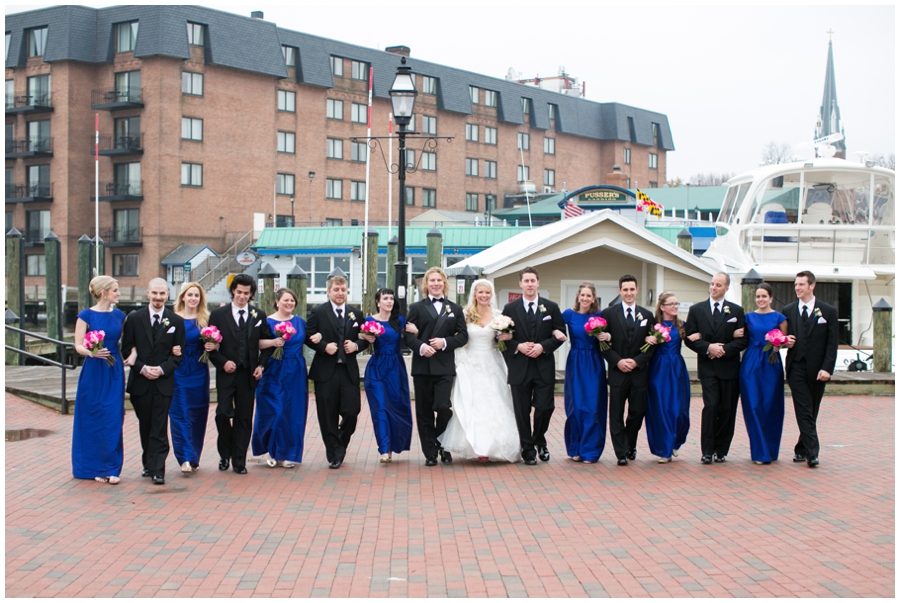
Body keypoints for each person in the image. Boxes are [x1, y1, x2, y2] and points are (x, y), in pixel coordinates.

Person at [436, 279, 521, 462]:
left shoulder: (499, 316)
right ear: (475, 294)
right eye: (480, 292)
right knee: (472, 403)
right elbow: (458, 336)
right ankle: (478, 447)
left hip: (492, 362)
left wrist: (508, 336)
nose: (484, 296)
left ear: (491, 295)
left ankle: (495, 446)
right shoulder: (465, 314)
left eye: (487, 293)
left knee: (496, 402)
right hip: (470, 362)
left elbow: (504, 338)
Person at [208, 273, 275, 474]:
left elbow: (268, 344)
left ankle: (239, 460)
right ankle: (224, 452)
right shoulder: (218, 315)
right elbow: (210, 347)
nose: (242, 296)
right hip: (226, 374)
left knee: (244, 418)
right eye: (239, 292)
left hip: (248, 375)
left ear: (251, 294)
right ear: (233, 292)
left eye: (246, 293)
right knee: (222, 414)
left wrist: (261, 366)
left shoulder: (258, 315)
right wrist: (223, 362)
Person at [121, 278, 185, 485]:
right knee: (145, 424)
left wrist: (161, 369)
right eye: (155, 293)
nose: (158, 297)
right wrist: (142, 368)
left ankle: (159, 469)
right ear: (148, 294)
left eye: (162, 294)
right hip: (140, 382)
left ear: (168, 295)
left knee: (159, 425)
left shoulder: (175, 321)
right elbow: (127, 348)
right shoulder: (134, 318)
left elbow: (178, 355)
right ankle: (148, 462)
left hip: (163, 382)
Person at [500, 267, 566, 465]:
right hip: (519, 366)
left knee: (546, 407)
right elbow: (501, 339)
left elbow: (561, 333)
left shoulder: (551, 307)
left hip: (543, 365)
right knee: (522, 410)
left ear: (538, 283)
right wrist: (518, 346)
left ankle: (539, 439)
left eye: (532, 281)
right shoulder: (509, 309)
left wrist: (543, 346)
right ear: (520, 284)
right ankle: (528, 449)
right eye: (526, 281)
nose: (529, 284)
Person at [405, 267, 469, 466]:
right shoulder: (416, 308)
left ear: (444, 284)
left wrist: (445, 342)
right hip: (422, 366)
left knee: (443, 407)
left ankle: (443, 444)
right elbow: (407, 336)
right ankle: (430, 452)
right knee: (424, 411)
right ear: (426, 284)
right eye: (432, 280)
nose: (435, 284)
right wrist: (422, 346)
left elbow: (463, 336)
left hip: (444, 366)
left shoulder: (455, 309)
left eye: (439, 280)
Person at [684, 272, 748, 465]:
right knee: (711, 406)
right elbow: (689, 338)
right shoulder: (697, 310)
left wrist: (724, 350)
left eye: (718, 285)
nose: (714, 288)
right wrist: (708, 348)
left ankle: (721, 450)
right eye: (712, 284)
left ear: (726, 288)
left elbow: (744, 339)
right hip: (708, 368)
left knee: (727, 409)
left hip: (729, 368)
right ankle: (707, 450)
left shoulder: (736, 311)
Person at [306, 273, 368, 469]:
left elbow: (366, 337)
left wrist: (356, 346)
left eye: (343, 289)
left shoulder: (356, 314)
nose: (340, 293)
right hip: (325, 371)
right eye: (336, 290)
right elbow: (308, 336)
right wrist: (324, 346)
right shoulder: (318, 312)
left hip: (348, 370)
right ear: (328, 291)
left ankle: (340, 442)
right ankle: (334, 453)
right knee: (327, 414)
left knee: (352, 411)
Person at [72, 276, 127, 484]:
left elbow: (129, 340)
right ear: (104, 292)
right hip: (94, 371)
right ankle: (92, 467)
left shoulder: (120, 316)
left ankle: (111, 467)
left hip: (114, 371)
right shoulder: (85, 316)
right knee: (92, 416)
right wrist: (91, 352)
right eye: (115, 290)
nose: (118, 294)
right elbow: (77, 345)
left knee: (113, 416)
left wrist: (133, 355)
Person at [782, 271, 838, 468]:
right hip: (796, 366)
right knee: (804, 408)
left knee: (812, 410)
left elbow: (832, 344)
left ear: (812, 286)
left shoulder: (828, 311)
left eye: (801, 285)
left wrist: (827, 368)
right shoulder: (787, 310)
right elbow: (779, 336)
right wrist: (784, 341)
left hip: (817, 369)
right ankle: (813, 453)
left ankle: (801, 447)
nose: (797, 288)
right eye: (796, 285)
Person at [600, 274, 656, 466]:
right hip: (617, 373)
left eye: (632, 289)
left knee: (637, 412)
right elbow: (603, 344)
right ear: (620, 291)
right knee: (615, 414)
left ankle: (630, 443)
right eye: (625, 290)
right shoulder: (608, 314)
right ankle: (621, 452)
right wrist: (617, 361)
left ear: (637, 290)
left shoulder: (647, 316)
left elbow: (653, 345)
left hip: (638, 373)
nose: (629, 293)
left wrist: (636, 361)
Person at [252, 288, 310, 468]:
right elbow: (256, 342)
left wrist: (320, 338)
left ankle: (287, 453)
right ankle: (272, 449)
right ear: (277, 301)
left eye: (292, 300)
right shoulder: (267, 321)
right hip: (273, 369)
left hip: (296, 371)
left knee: (292, 412)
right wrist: (272, 343)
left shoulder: (300, 322)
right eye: (286, 300)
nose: (289, 303)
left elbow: (309, 340)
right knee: (274, 411)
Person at [358, 288, 413, 463]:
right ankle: (384, 449)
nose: (389, 301)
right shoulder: (369, 321)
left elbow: (411, 337)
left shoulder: (400, 320)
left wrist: (416, 331)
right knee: (380, 408)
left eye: (391, 298)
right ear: (377, 301)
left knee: (396, 407)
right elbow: (357, 336)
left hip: (396, 368)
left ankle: (394, 444)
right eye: (385, 298)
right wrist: (363, 336)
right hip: (377, 368)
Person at [561, 282, 611, 464]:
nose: (585, 298)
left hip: (593, 362)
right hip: (575, 361)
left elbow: (612, 333)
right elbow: (554, 327)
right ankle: (575, 447)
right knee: (575, 407)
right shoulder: (568, 314)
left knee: (592, 407)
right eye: (582, 295)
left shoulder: (600, 316)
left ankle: (590, 451)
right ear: (578, 296)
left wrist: (608, 336)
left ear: (594, 298)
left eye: (588, 295)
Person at [737, 283, 787, 464]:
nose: (761, 299)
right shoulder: (748, 317)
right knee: (753, 406)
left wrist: (780, 342)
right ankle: (759, 452)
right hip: (751, 364)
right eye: (758, 296)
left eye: (764, 296)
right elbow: (741, 337)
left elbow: (785, 340)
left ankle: (771, 450)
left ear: (771, 298)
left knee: (770, 406)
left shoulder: (780, 317)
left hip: (771, 363)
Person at [170, 282, 215, 474]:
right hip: (179, 370)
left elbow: (215, 343)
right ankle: (184, 457)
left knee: (198, 413)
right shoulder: (172, 319)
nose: (193, 299)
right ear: (182, 297)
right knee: (180, 412)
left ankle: (195, 455)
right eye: (190, 295)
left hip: (199, 369)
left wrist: (213, 346)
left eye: (196, 295)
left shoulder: (204, 320)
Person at [644, 292, 691, 463]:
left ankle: (675, 441)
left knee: (679, 410)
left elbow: (694, 340)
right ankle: (664, 449)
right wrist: (648, 338)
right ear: (662, 306)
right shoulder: (653, 325)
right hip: (658, 368)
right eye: (671, 304)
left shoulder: (682, 325)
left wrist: (697, 337)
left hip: (677, 368)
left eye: (676, 303)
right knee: (661, 408)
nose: (674, 307)